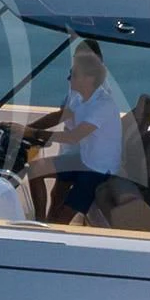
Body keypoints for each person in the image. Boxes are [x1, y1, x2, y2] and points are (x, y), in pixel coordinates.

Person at [26, 46, 124, 223]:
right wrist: (27, 129)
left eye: (74, 74)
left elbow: (73, 137)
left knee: (62, 215)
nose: (68, 77)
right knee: (35, 169)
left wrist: (32, 133)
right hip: (83, 158)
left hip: (98, 169)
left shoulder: (103, 104)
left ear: (88, 78)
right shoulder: (81, 97)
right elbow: (60, 116)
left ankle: (53, 230)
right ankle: (40, 223)